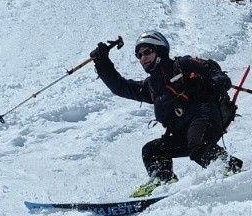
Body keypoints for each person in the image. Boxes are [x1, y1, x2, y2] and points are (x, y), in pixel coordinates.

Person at [91, 30, 242, 196]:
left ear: (160, 50)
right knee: (152, 150)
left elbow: (212, 71)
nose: (143, 58)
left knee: (198, 146)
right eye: (139, 55)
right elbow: (121, 87)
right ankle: (163, 180)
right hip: (181, 132)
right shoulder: (151, 86)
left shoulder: (182, 65)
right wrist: (102, 63)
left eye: (147, 51)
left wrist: (218, 80)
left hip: (203, 116)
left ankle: (229, 167)